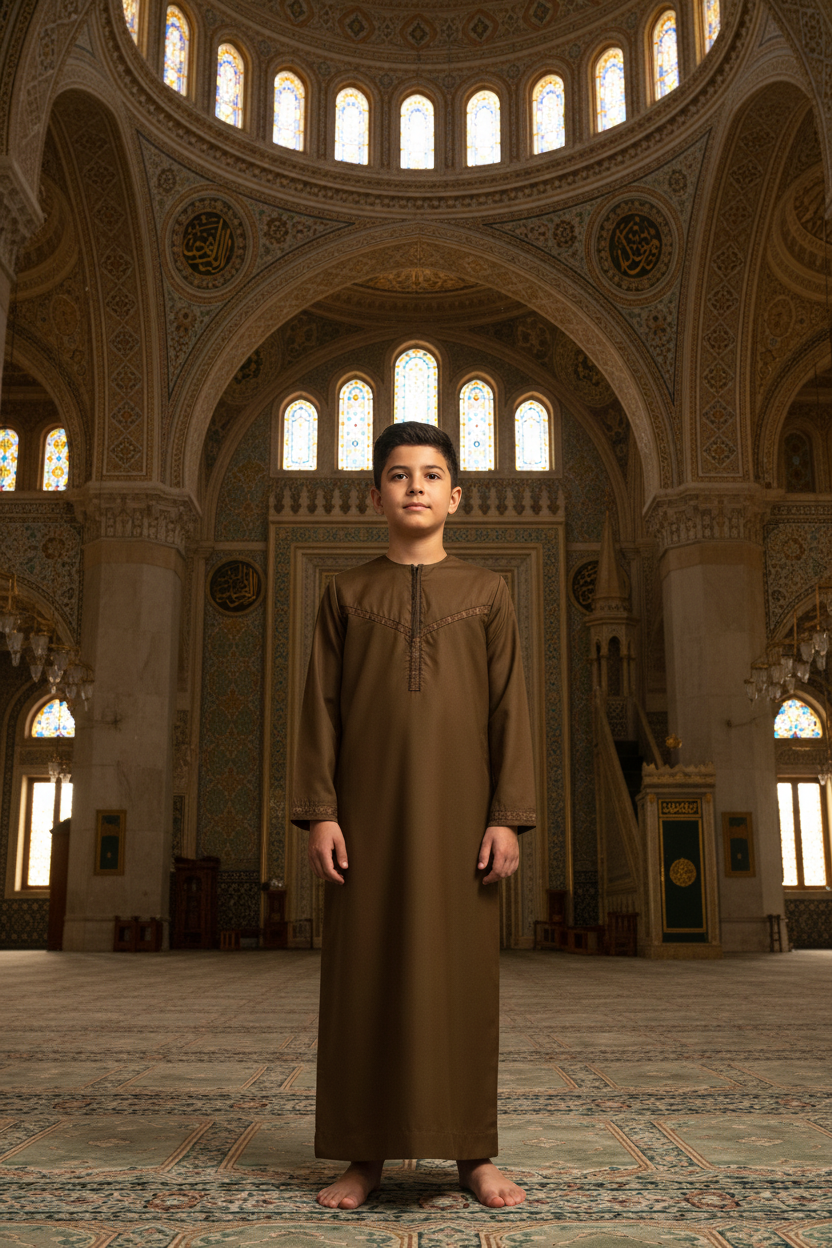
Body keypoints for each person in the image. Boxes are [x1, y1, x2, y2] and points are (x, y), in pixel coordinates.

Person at [291, 420, 536, 1211]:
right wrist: (321, 813)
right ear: (376, 495)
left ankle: (472, 1153)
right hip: (365, 819)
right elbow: (319, 711)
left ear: (456, 495)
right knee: (363, 977)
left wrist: (508, 816)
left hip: (464, 818)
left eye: (431, 474)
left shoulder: (489, 592)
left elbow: (511, 713)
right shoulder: (345, 592)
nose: (416, 486)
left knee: (462, 982)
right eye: (399, 475)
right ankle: (363, 1157)